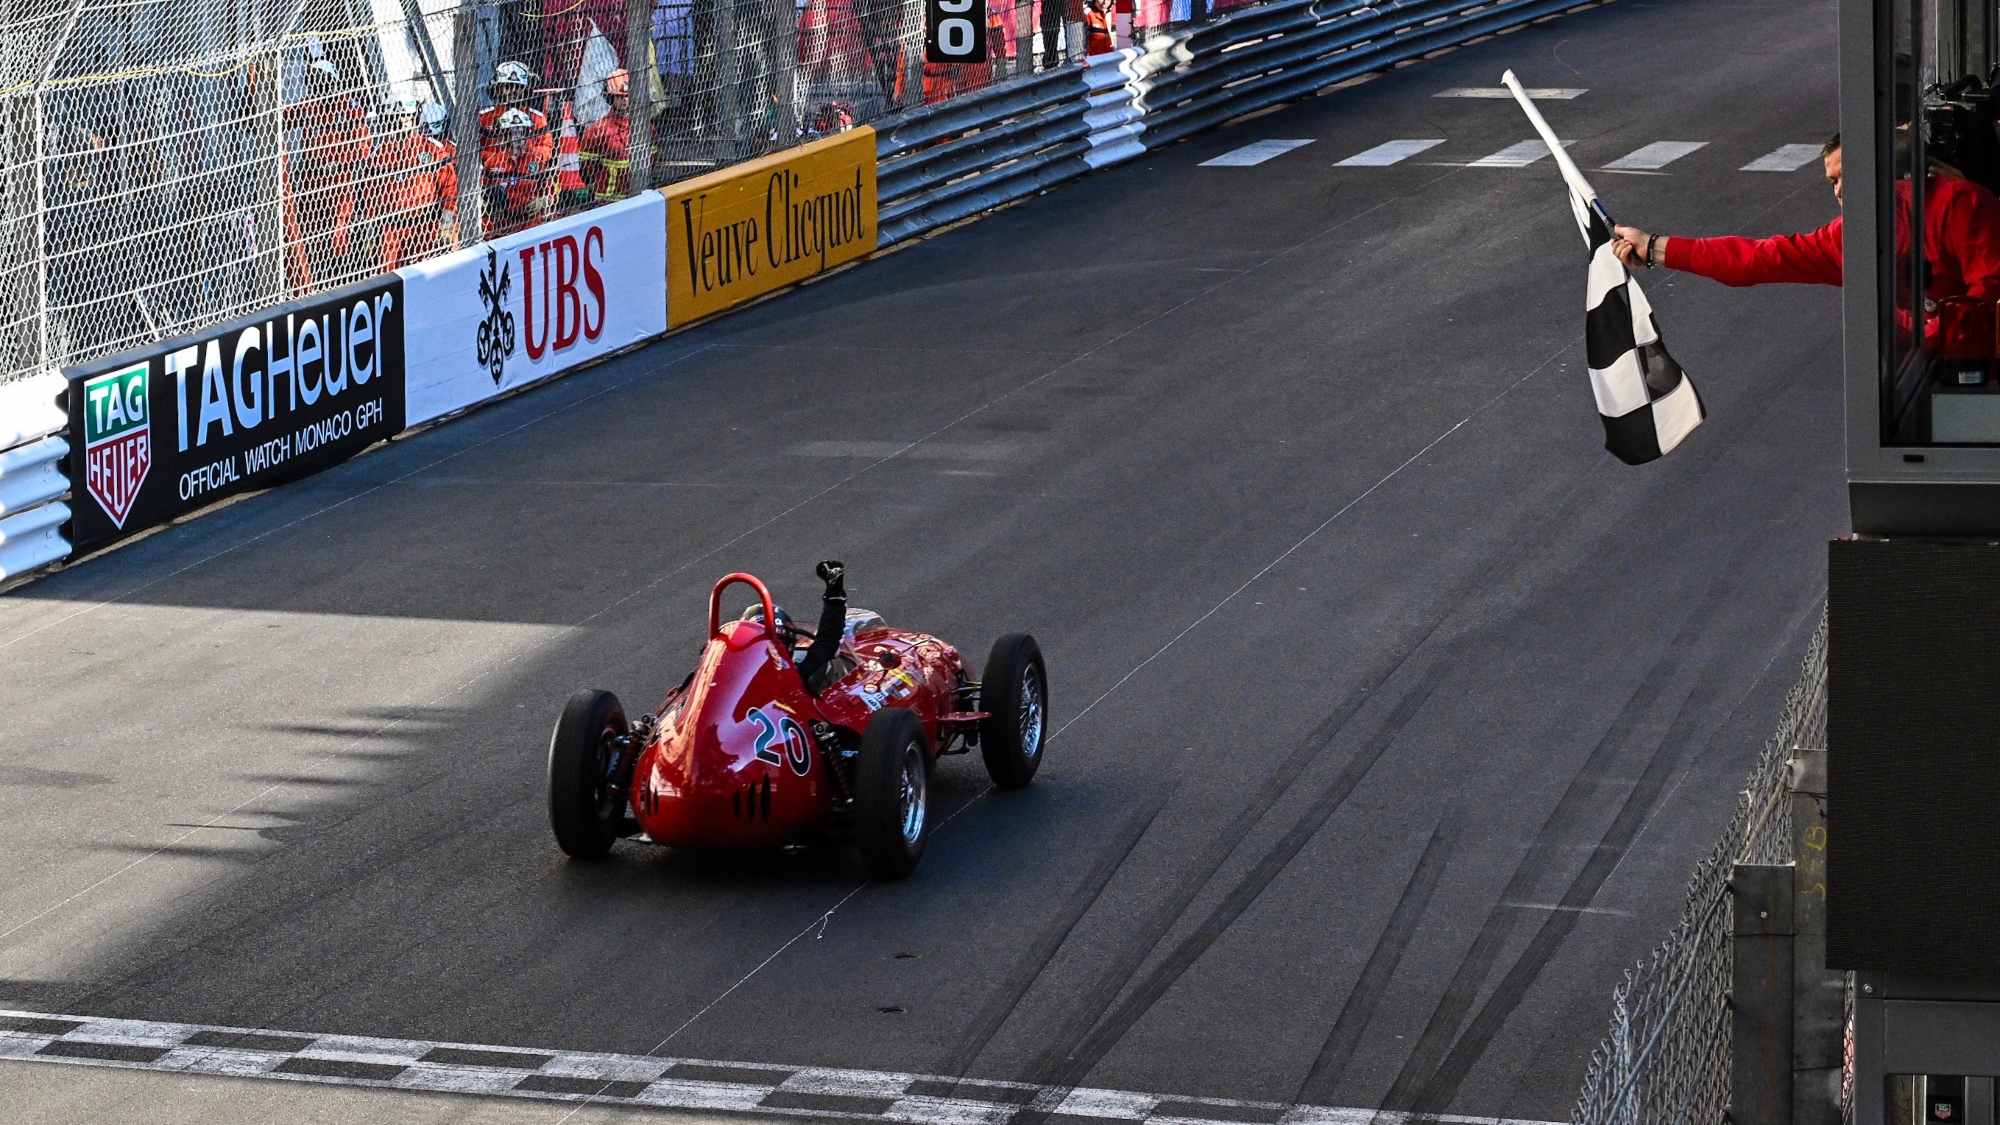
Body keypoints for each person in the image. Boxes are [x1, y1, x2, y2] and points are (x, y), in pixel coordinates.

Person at [1611, 134, 2000, 314]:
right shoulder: (1848, 237)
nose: (1841, 191)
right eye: (1833, 181)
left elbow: (1991, 290)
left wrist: (1941, 335)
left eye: (1849, 173)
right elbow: (1755, 259)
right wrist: (1654, 246)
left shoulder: (1960, 203)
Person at [285, 57, 371, 288]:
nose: (318, 86)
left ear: (332, 81)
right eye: (314, 81)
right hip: (312, 179)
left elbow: (364, 146)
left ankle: (340, 276)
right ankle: (315, 277)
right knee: (310, 230)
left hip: (340, 179)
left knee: (337, 231)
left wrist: (346, 164)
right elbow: (281, 120)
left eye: (322, 81)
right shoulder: (306, 104)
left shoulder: (349, 107)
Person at [366, 100, 457, 271]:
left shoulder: (432, 149)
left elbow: (449, 186)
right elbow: (371, 194)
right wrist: (371, 228)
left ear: (415, 117)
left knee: (427, 275)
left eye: (407, 116)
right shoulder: (379, 154)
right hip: (390, 229)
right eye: (398, 116)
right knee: (389, 276)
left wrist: (447, 221)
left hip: (425, 226)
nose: (402, 120)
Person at [482, 107, 552, 235]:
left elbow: (552, 191)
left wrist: (542, 201)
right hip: (501, 228)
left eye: (522, 132)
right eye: (513, 132)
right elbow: (480, 193)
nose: (518, 136)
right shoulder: (492, 163)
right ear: (503, 135)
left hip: (530, 226)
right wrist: (487, 206)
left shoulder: (537, 162)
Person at [580, 69, 635, 202]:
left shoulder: (645, 127)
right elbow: (587, 168)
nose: (625, 100)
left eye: (627, 96)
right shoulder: (599, 130)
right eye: (619, 96)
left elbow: (652, 159)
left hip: (637, 195)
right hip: (607, 201)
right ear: (610, 98)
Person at [797, 560, 850, 695]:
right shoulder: (796, 673)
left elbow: (827, 643)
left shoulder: (794, 670)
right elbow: (827, 643)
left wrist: (834, 594)